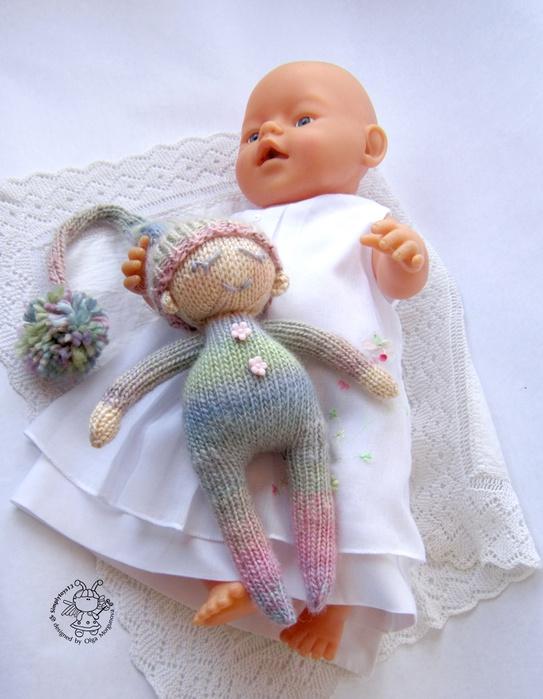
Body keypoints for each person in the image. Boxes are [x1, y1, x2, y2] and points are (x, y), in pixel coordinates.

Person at [120, 61, 428, 662]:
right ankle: (226, 575)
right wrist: (151, 280)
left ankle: (334, 604)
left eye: (303, 119)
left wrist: (406, 259)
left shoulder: (363, 221)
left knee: (354, 483)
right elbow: (191, 294)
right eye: (253, 132)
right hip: (233, 385)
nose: (271, 135)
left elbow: (395, 287)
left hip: (342, 387)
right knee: (217, 478)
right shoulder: (231, 228)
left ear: (369, 147)